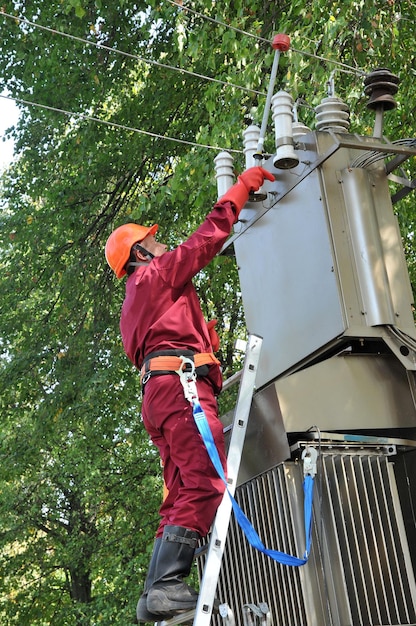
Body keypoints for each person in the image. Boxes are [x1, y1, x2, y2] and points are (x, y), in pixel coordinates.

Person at [105, 166, 274, 623]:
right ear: (141, 251)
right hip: (181, 391)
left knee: (180, 490)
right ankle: (167, 584)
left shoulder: (132, 304)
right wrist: (239, 190)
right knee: (206, 481)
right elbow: (205, 240)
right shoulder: (156, 274)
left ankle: (153, 593)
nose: (163, 243)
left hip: (159, 396)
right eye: (155, 240)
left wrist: (202, 340)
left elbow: (162, 338)